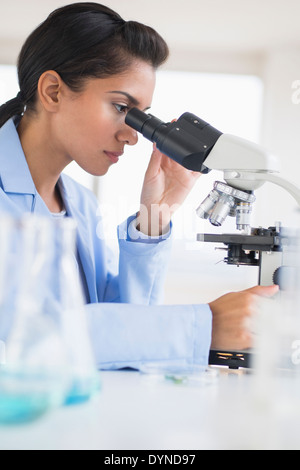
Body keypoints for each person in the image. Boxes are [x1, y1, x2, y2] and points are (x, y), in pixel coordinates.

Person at [0, 2, 277, 370]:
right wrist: (202, 325)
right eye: (120, 107)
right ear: (52, 91)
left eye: (139, 116)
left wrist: (155, 214)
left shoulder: (79, 203)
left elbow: (123, 330)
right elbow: (27, 339)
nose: (132, 135)